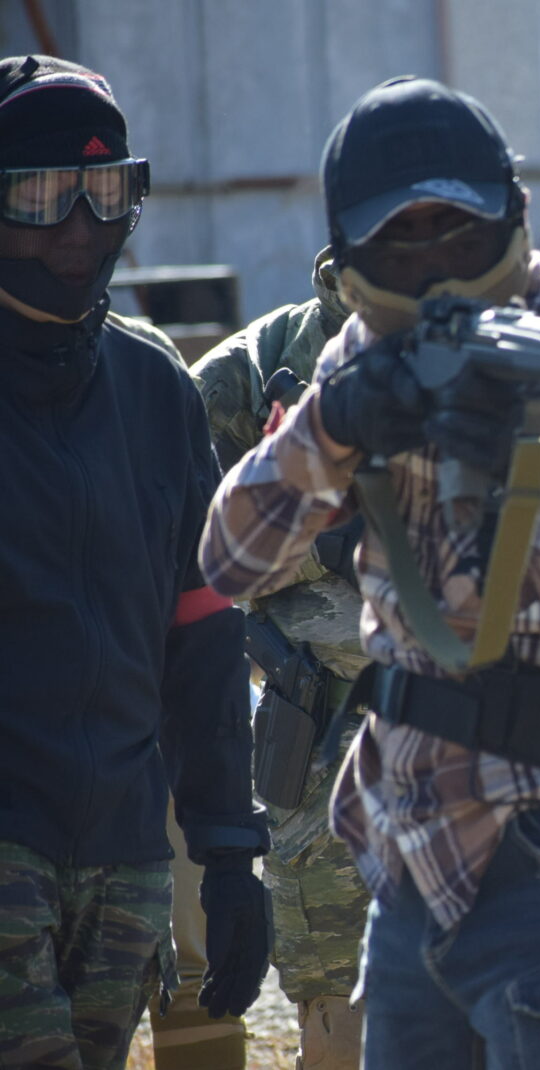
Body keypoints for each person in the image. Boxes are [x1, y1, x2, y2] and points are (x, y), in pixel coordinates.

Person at [201, 75, 540, 1068]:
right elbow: (228, 559)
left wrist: (527, 468)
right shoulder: (361, 361)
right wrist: (333, 425)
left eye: (457, 232)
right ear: (351, 259)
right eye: (401, 241)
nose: (432, 266)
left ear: (511, 217)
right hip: (410, 855)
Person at [0, 55, 270, 1066]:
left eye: (107, 192)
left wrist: (229, 854)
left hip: (125, 858)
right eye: (40, 196)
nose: (78, 228)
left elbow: (201, 638)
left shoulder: (157, 389)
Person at [188, 248, 366, 1068]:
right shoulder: (250, 373)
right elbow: (187, 547)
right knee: (339, 1007)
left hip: (487, 739)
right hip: (325, 739)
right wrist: (327, 546)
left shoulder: (513, 353)